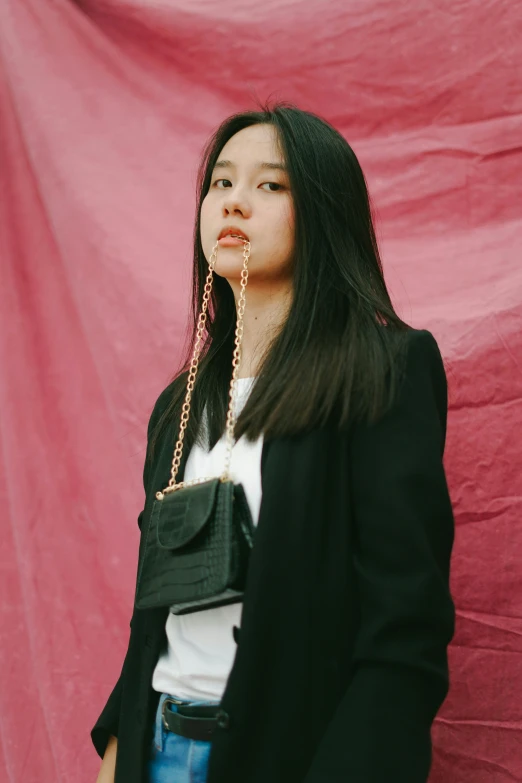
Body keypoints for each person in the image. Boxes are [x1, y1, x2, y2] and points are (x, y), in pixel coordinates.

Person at [92, 101, 456, 783]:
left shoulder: (383, 369)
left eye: (270, 185)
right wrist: (119, 746)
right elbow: (157, 612)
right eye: (221, 182)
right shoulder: (180, 405)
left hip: (291, 756)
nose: (234, 201)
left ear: (324, 211)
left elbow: (404, 631)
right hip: (159, 749)